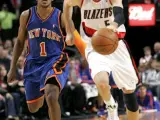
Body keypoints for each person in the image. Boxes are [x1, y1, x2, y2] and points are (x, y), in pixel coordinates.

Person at [64, 0, 139, 120]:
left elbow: (120, 15)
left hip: (116, 44)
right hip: (93, 45)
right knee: (102, 83)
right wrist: (69, 31)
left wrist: (113, 26)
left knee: (129, 90)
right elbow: (66, 4)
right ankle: (111, 107)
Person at [7, 0, 70, 120]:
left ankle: (47, 91)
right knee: (33, 107)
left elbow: (74, 36)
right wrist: (12, 68)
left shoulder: (61, 16)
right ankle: (41, 89)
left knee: (51, 96)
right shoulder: (26, 15)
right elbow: (20, 42)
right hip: (33, 64)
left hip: (55, 60)